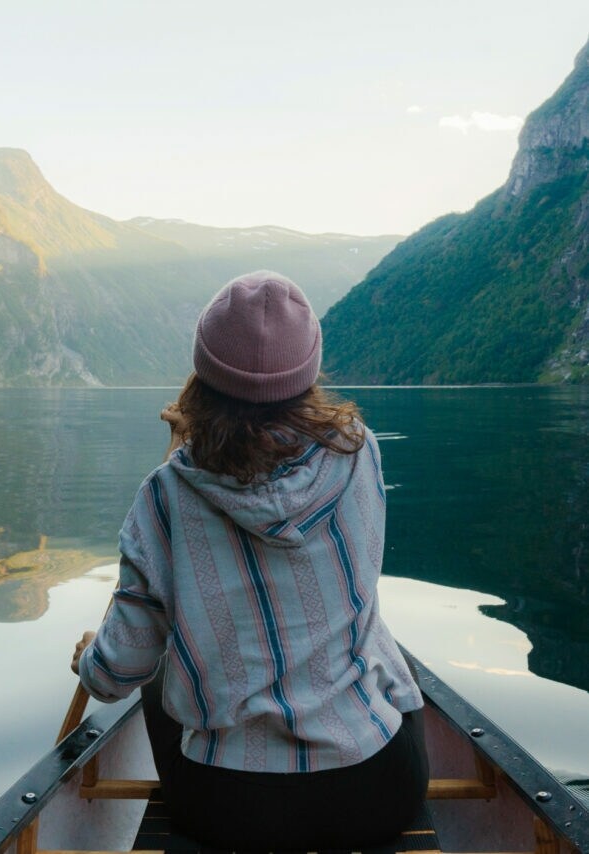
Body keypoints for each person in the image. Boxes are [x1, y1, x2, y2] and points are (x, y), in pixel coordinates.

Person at [71, 270, 428, 850]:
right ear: (307, 372)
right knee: (387, 673)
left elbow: (116, 675)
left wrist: (90, 660)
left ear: (204, 374)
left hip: (229, 808)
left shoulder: (164, 496)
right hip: (374, 790)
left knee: (160, 668)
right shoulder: (360, 452)